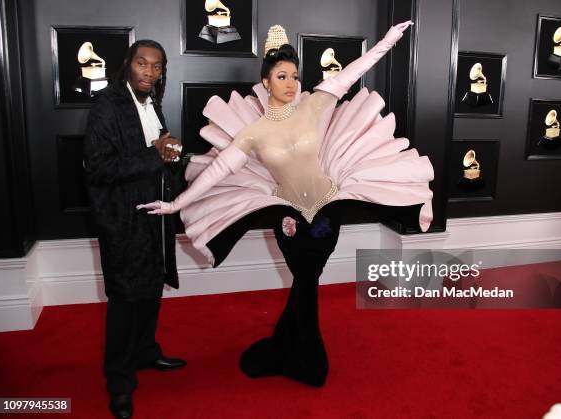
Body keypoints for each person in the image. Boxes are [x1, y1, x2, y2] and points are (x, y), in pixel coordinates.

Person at [139, 21, 433, 387]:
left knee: (307, 280)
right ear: (266, 83)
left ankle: (290, 346)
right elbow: (215, 172)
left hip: (328, 211)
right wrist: (175, 205)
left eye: (294, 75)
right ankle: (310, 360)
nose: (291, 83)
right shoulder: (254, 134)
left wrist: (389, 40)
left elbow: (357, 69)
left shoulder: (313, 105)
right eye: (282, 76)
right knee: (306, 281)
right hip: (290, 218)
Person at [84, 39, 186, 419]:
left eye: (156, 66)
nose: (149, 71)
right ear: (128, 64)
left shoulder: (151, 103)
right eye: (142, 63)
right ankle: (119, 383)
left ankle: (145, 353)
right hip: (122, 221)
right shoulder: (106, 107)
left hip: (154, 217)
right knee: (125, 301)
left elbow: (158, 152)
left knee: (150, 290)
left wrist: (172, 154)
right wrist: (155, 154)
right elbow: (99, 169)